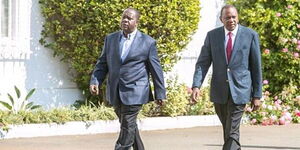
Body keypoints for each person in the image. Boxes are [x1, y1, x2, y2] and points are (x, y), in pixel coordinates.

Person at [89, 8, 166, 150]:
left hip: (136, 90)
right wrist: (95, 80)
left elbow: (156, 70)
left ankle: (121, 148)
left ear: (136, 22)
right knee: (128, 125)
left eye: (129, 18)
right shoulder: (111, 39)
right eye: (124, 17)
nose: (125, 20)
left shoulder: (148, 42)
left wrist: (160, 93)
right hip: (116, 90)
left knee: (127, 124)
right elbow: (103, 62)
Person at [191, 4, 262, 150]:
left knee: (232, 129)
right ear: (221, 19)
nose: (231, 20)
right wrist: (196, 85)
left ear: (238, 17)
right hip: (219, 90)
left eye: (234, 17)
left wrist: (257, 95)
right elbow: (203, 63)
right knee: (228, 129)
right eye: (227, 17)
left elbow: (256, 67)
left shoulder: (250, 35)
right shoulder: (212, 36)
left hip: (240, 90)